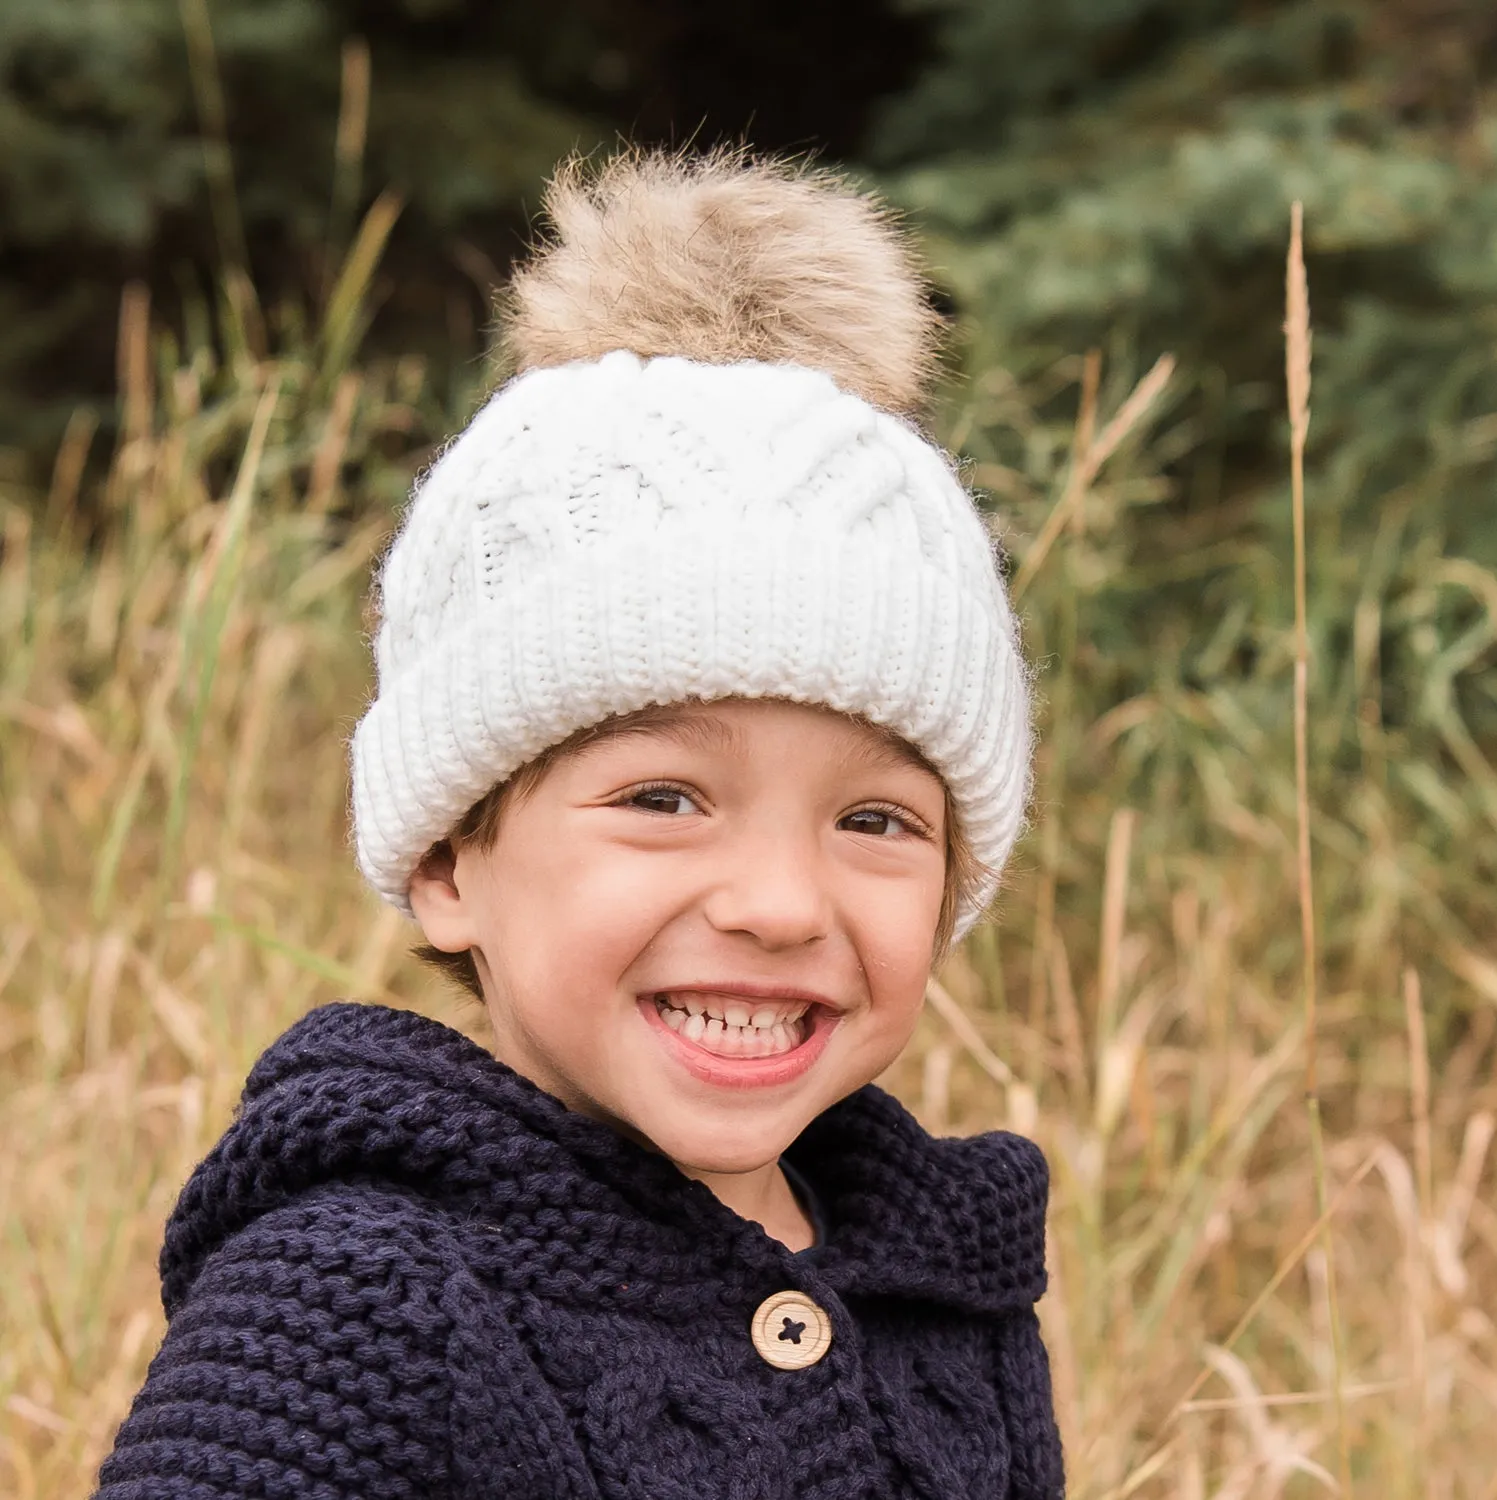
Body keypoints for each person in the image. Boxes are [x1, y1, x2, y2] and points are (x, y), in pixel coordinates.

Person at [94, 147, 1064, 1499]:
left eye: (877, 820)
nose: (782, 902)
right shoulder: (362, 1301)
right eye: (664, 800)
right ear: (445, 862)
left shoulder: (942, 1287)